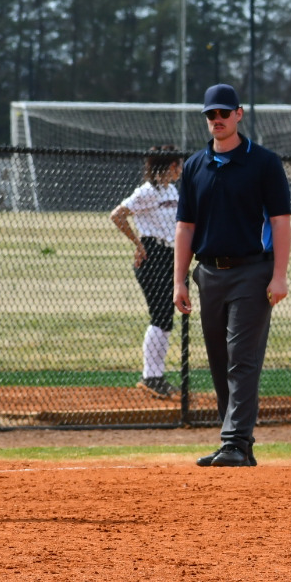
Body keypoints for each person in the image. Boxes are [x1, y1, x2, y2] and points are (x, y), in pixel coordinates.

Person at [173, 83, 291, 467]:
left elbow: (281, 221)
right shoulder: (194, 166)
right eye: (211, 114)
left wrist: (280, 275)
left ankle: (234, 442)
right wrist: (178, 280)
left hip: (253, 273)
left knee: (242, 359)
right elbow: (185, 228)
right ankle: (237, 444)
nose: (218, 120)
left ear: (239, 114)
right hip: (208, 274)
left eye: (224, 113)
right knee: (220, 360)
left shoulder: (263, 162)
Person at [111, 146, 184, 399]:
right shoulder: (146, 192)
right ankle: (150, 376)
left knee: (166, 317)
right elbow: (118, 215)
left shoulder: (171, 190)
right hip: (152, 254)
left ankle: (156, 376)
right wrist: (138, 243)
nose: (181, 170)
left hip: (170, 255)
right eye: (178, 165)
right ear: (170, 166)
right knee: (161, 315)